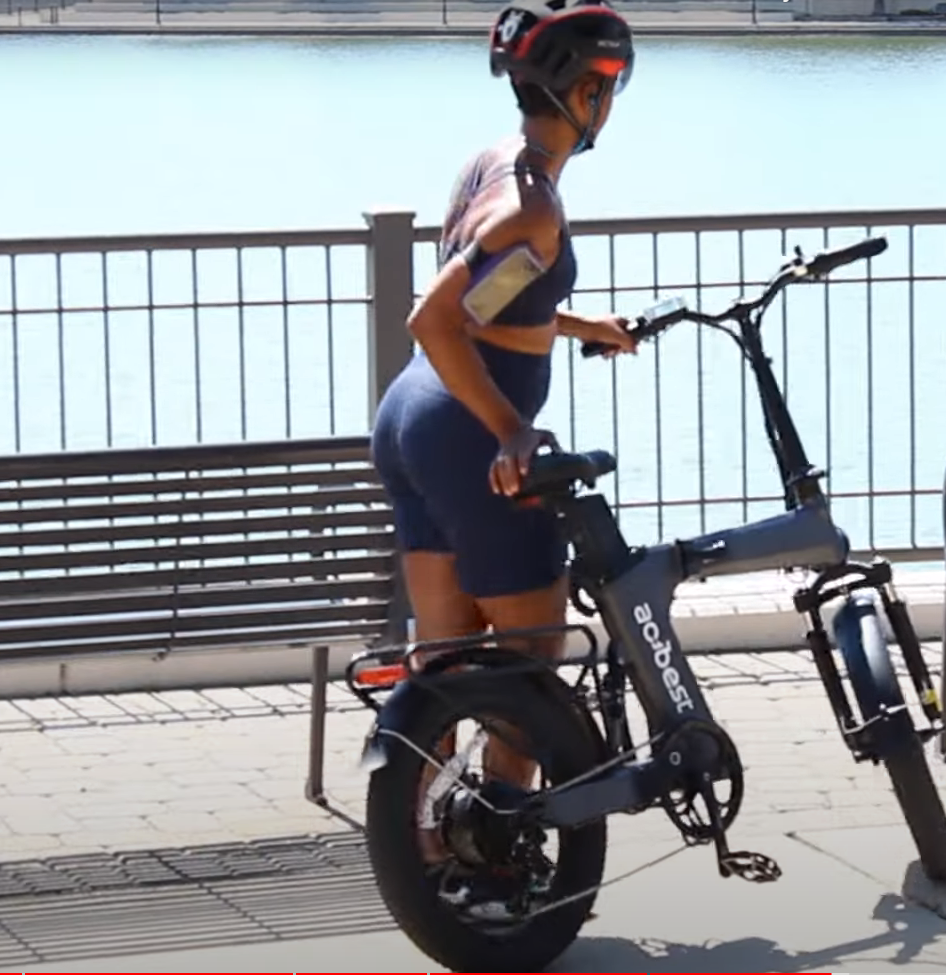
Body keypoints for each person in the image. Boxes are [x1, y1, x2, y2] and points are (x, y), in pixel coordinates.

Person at [367, 0, 637, 918]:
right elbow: (435, 318)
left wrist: (574, 323)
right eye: (606, 85)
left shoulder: (496, 166)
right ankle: (494, 865)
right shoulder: (533, 207)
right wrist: (510, 428)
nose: (613, 101)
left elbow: (484, 304)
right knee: (528, 667)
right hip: (466, 438)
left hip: (410, 422)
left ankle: (427, 844)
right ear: (572, 91)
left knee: (445, 667)